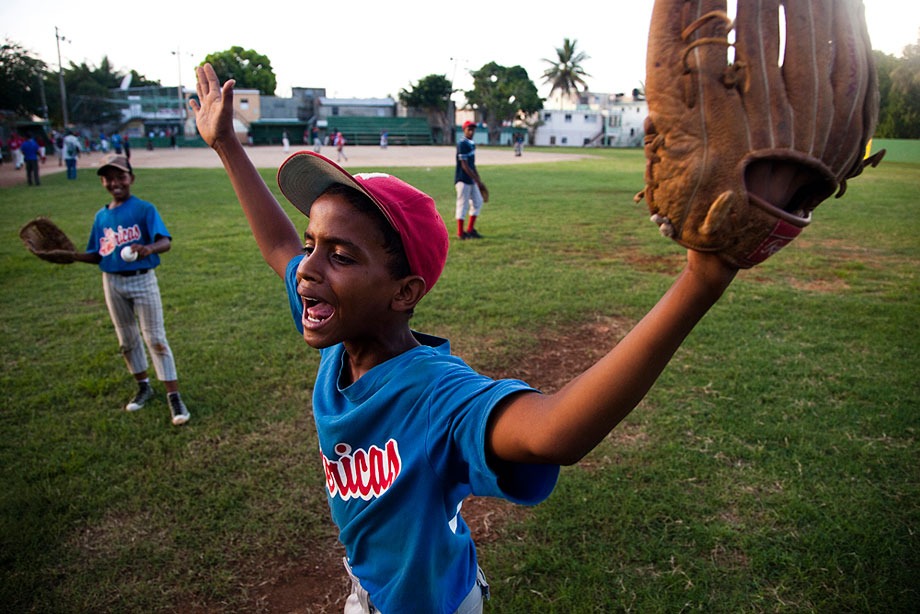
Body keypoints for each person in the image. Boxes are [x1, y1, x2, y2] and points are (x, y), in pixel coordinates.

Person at [191, 63, 737, 614]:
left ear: (403, 294)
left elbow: (554, 433)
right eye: (313, 244)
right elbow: (278, 246)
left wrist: (700, 282)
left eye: (340, 255)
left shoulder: (434, 395)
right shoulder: (341, 335)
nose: (307, 269)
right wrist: (227, 146)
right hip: (373, 589)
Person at [44, 154, 191, 426]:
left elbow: (165, 242)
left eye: (120, 176)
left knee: (156, 339)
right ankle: (143, 385)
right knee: (126, 340)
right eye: (109, 178)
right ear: (103, 182)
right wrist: (71, 255)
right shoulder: (101, 217)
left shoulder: (144, 209)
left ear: (131, 179)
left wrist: (148, 248)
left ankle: (174, 395)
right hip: (111, 281)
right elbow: (97, 254)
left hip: (142, 278)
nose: (115, 182)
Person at [455, 121, 488, 240]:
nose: (471, 131)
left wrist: (479, 180)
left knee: (478, 201)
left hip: (471, 180)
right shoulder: (462, 143)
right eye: (469, 129)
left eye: (473, 129)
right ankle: (460, 233)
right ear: (464, 130)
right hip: (463, 179)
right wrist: (476, 180)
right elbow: (464, 165)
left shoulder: (471, 144)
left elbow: (472, 165)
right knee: (462, 205)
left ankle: (470, 230)